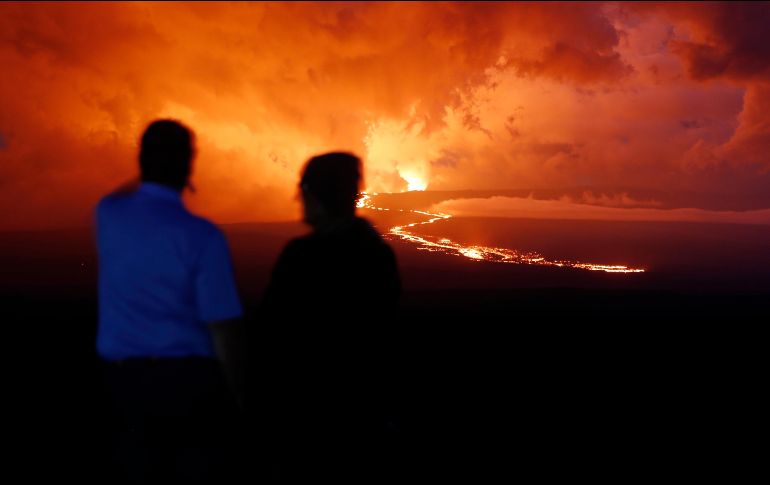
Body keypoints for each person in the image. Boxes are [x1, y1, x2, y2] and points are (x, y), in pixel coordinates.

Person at [95, 119, 244, 483]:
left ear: (143, 159)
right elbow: (222, 327)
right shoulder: (202, 237)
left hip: (121, 386)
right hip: (187, 387)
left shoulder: (108, 215)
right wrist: (240, 399)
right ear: (188, 164)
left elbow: (120, 195)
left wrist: (150, 173)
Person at [256, 152, 402, 482]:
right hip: (365, 416)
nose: (297, 198)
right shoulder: (378, 254)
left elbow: (271, 336)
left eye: (303, 188)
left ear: (316, 194)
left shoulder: (302, 257)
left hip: (308, 419)